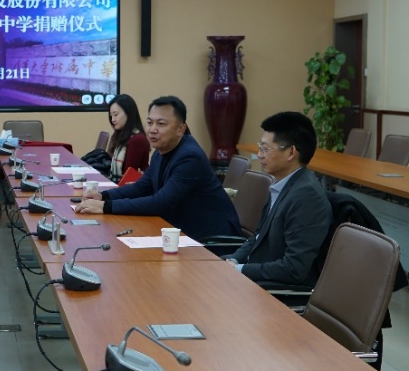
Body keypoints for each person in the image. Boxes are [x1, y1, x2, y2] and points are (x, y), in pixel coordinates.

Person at [74, 95, 239, 239]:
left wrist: (106, 207)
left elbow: (161, 202)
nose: (152, 130)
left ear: (180, 129)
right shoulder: (161, 152)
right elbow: (142, 187)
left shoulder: (190, 157)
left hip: (211, 237)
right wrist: (103, 196)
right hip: (180, 230)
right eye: (149, 122)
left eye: (161, 124)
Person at [225, 112, 332, 287]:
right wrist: (233, 261)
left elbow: (294, 268)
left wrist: (240, 270)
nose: (259, 155)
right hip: (255, 277)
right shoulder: (282, 184)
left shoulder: (307, 197)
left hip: (273, 291)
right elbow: (258, 236)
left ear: (291, 152)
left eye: (265, 149)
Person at [105, 94, 150, 181]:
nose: (113, 119)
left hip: (130, 187)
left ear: (128, 113)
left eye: (116, 114)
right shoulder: (120, 135)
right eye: (111, 115)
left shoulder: (137, 139)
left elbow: (128, 177)